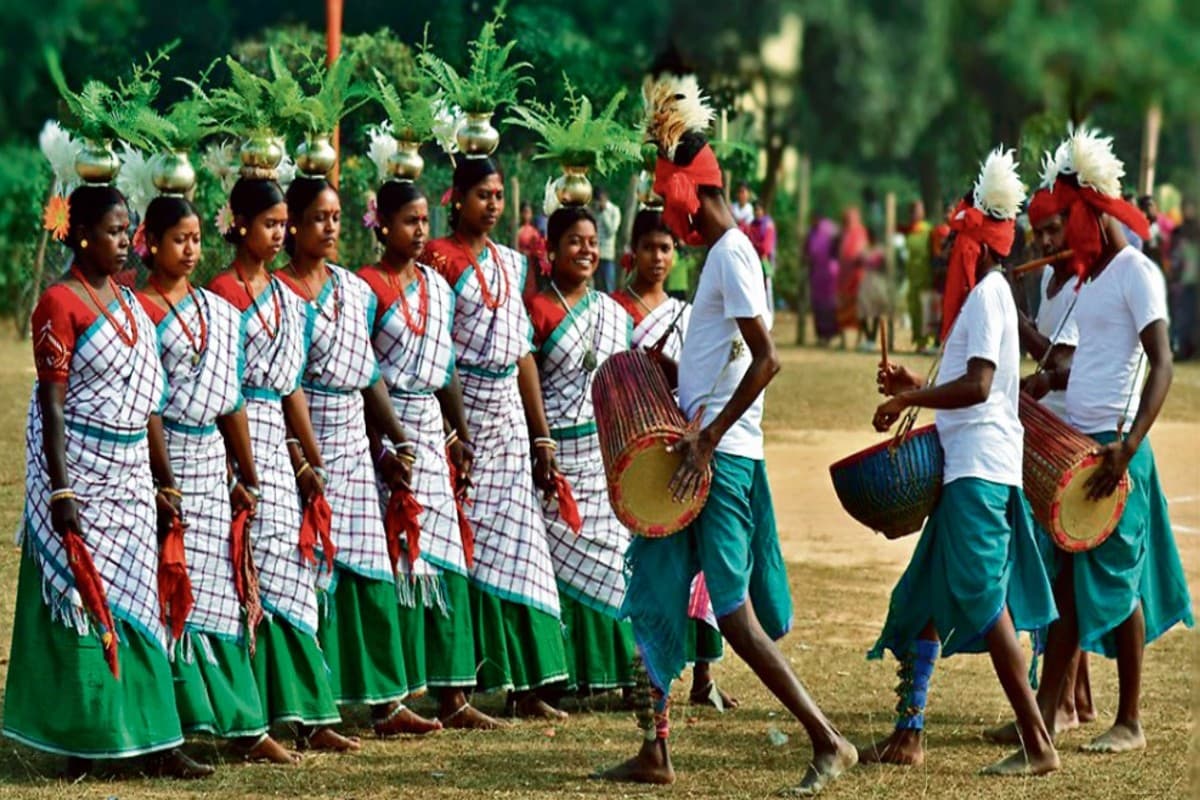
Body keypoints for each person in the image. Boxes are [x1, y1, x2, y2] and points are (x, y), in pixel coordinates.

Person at [598, 68, 855, 794]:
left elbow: (767, 359)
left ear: (692, 186)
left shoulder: (734, 252)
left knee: (736, 615)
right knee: (652, 589)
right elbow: (730, 357)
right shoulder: (719, 257)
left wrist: (707, 439)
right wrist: (671, 373)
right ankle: (655, 749)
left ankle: (829, 740)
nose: (662, 207)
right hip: (695, 449)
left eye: (664, 190)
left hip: (719, 460)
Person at [998, 126, 1194, 753]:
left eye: (1062, 224)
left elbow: (1161, 362)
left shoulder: (1137, 271)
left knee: (1117, 583)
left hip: (1114, 452)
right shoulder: (1089, 281)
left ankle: (1130, 721)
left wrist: (1128, 446)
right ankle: (1046, 719)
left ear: (1089, 213)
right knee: (1066, 593)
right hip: (1078, 451)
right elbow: (1074, 364)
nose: (1053, 241)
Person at [5, 184, 211, 779]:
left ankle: (157, 740)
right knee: (84, 600)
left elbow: (149, 402)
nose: (127, 241)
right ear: (83, 233)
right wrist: (62, 491)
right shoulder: (59, 303)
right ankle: (90, 742)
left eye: (130, 231)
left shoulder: (126, 301)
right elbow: (53, 404)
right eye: (117, 231)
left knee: (142, 602)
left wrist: (164, 481)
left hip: (129, 477)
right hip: (83, 473)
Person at [865, 148, 1060, 776]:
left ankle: (1038, 745)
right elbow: (977, 384)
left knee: (981, 597)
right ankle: (909, 731)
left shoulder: (985, 299)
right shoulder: (993, 295)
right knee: (924, 596)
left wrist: (909, 398)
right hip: (971, 465)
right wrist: (915, 380)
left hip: (977, 470)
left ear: (977, 240)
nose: (949, 251)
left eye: (955, 241)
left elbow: (978, 388)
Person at [275, 175, 442, 737]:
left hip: (352, 439)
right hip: (301, 440)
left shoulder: (354, 290)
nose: (329, 227)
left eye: (336, 216)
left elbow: (370, 375)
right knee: (313, 575)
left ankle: (386, 704)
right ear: (292, 224)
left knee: (371, 569)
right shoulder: (281, 294)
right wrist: (303, 458)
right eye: (318, 217)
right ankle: (314, 711)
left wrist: (395, 439)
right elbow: (280, 384)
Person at [135, 196, 298, 765]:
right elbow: (149, 406)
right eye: (179, 238)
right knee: (170, 592)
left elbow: (231, 403)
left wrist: (247, 473)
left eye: (198, 238)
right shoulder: (140, 311)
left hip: (210, 457)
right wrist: (163, 479)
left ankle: (244, 727)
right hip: (164, 458)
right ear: (149, 241)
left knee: (223, 593)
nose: (191, 249)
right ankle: (176, 723)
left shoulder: (215, 311)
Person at [208, 176, 356, 753]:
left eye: (280, 224)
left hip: (276, 439)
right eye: (268, 224)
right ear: (240, 225)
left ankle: (310, 714)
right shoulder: (221, 292)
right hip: (236, 440)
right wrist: (242, 469)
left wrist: (310, 458)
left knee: (293, 574)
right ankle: (258, 721)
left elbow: (291, 384)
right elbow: (226, 389)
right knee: (255, 574)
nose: (278, 234)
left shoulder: (284, 296)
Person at [425, 156, 570, 720]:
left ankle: (528, 686)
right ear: (455, 198)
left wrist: (542, 437)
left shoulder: (512, 261)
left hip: (508, 415)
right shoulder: (438, 259)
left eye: (497, 195)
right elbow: (435, 354)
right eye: (481, 194)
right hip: (458, 416)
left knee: (523, 546)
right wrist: (454, 428)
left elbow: (522, 354)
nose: (492, 204)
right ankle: (458, 687)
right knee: (464, 545)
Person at [359, 180, 503, 730]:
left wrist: (459, 431)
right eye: (408, 222)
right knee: (401, 557)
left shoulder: (437, 290)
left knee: (446, 555)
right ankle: (396, 697)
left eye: (424, 221)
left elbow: (444, 370)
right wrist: (384, 444)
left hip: (429, 426)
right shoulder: (366, 287)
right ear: (382, 224)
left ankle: (453, 694)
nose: (419, 231)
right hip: (387, 429)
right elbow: (363, 371)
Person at [610, 208, 736, 709]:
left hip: (680, 446)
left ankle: (702, 676)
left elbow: (695, 381)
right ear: (632, 252)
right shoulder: (614, 310)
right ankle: (638, 680)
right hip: (629, 449)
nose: (658, 258)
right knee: (644, 568)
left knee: (699, 572)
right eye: (649, 248)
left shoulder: (686, 313)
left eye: (666, 249)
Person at [527, 205, 636, 699]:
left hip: (599, 453)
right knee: (557, 560)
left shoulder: (613, 312)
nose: (587, 250)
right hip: (554, 452)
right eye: (574, 241)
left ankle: (615, 671)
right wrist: (542, 440)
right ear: (550, 251)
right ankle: (565, 672)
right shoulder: (538, 309)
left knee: (611, 557)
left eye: (592, 241)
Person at [903, 201, 934, 352]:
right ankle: (917, 341)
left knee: (925, 311)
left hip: (925, 276)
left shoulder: (928, 230)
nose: (917, 213)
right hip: (912, 278)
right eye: (914, 211)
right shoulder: (910, 232)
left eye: (919, 210)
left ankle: (925, 342)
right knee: (914, 311)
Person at [805, 216, 840, 344]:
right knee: (818, 307)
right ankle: (821, 335)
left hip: (830, 276)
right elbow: (807, 252)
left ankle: (829, 335)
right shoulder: (811, 234)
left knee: (829, 307)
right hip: (817, 276)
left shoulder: (830, 230)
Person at [836, 207, 868, 347]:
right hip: (843, 279)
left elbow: (862, 252)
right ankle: (843, 340)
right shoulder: (843, 233)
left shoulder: (860, 232)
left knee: (859, 310)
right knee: (841, 309)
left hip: (857, 278)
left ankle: (859, 340)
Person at [593, 188, 622, 293]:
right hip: (595, 253)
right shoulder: (594, 211)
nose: (598, 203)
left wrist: (604, 213)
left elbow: (611, 231)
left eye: (600, 200)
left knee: (609, 285)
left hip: (607, 254)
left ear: (605, 198)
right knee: (596, 285)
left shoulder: (614, 210)